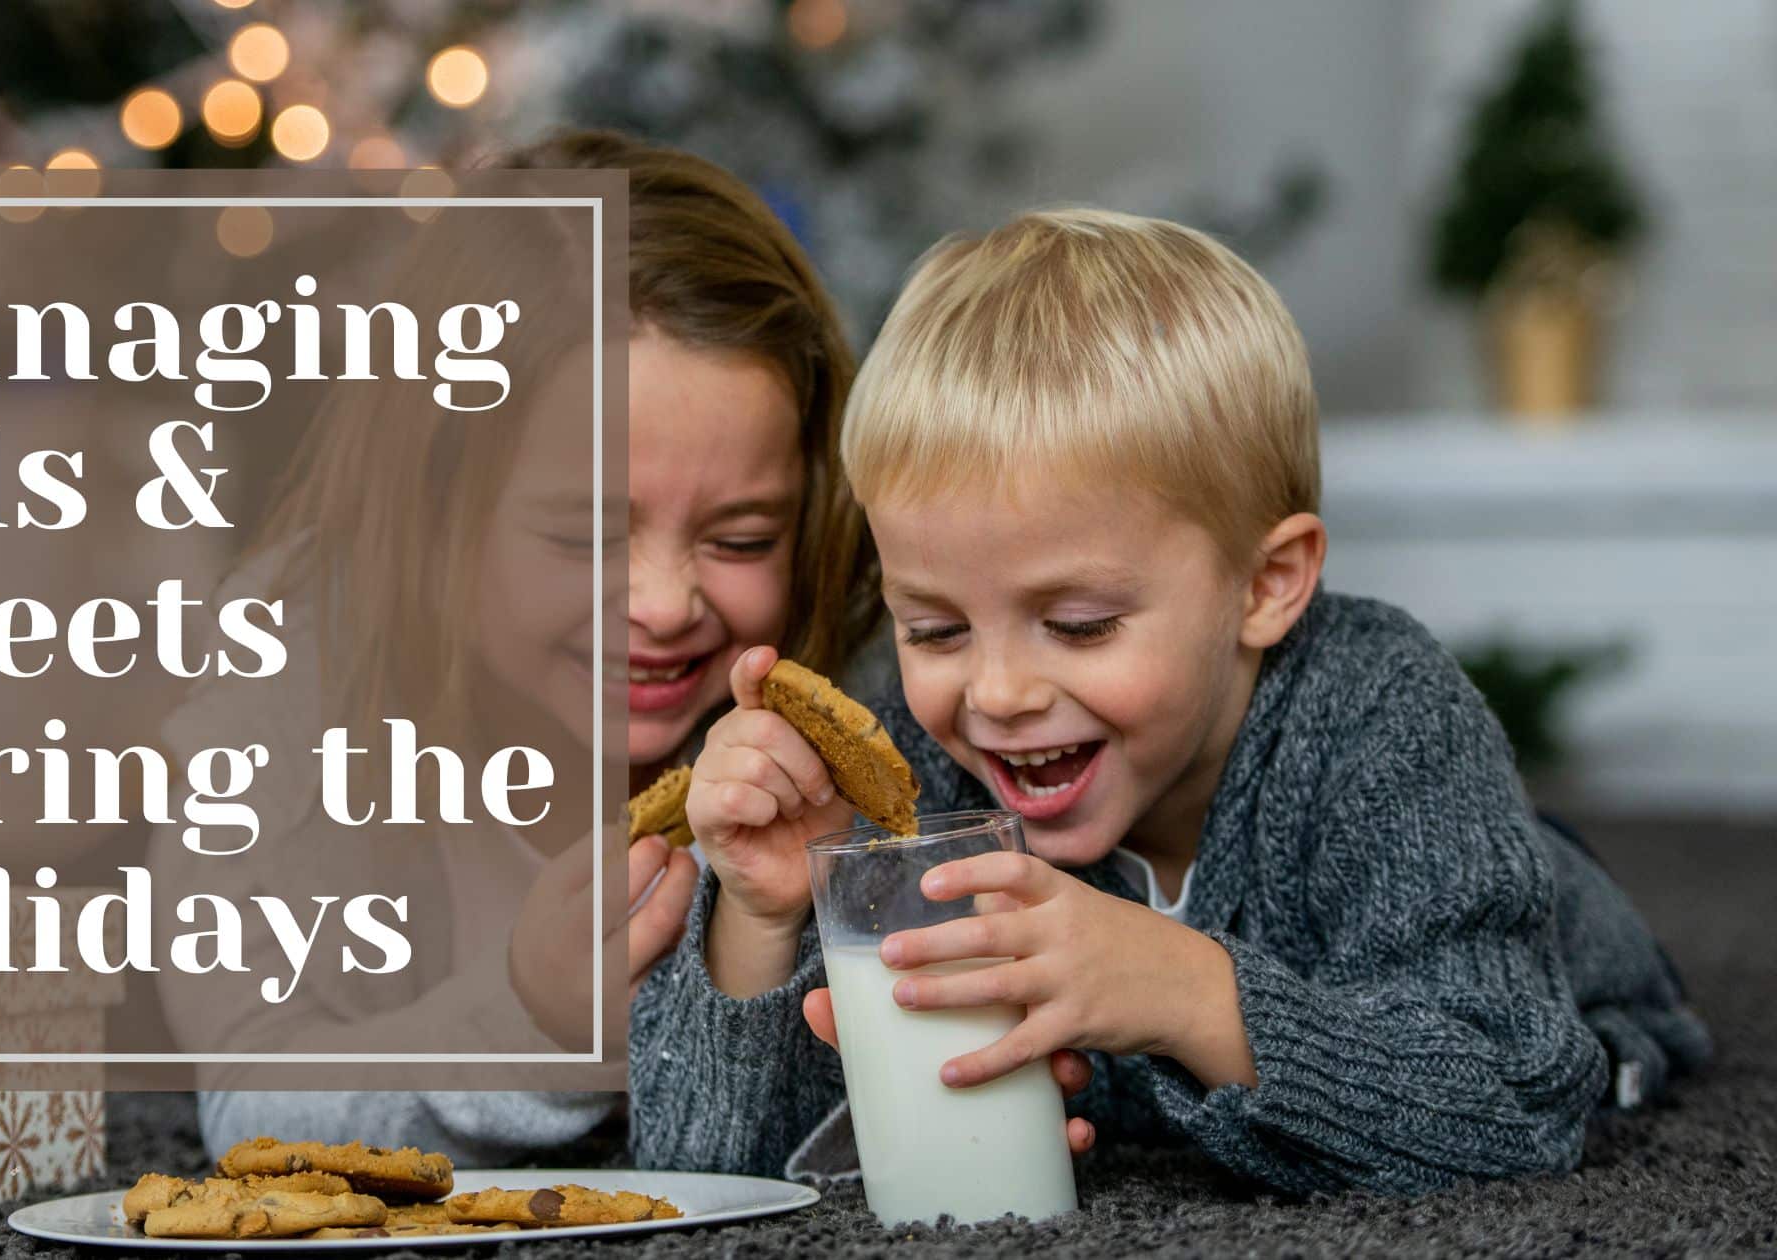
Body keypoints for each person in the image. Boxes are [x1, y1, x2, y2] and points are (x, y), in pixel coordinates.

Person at [634, 208, 1711, 1196]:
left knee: (1594, 1029)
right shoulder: (919, 768)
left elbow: (1513, 1102)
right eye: (935, 630)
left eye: (1081, 625)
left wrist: (1187, 994)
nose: (998, 693)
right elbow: (709, 1171)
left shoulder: (1383, 717)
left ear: (1263, 585)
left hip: (1521, 915)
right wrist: (762, 921)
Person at [180, 130, 883, 1165]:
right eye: (585, 535)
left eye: (740, 539)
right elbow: (251, 1107)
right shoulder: (290, 686)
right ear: (431, 516)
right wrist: (531, 1025)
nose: (664, 602)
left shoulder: (832, 690)